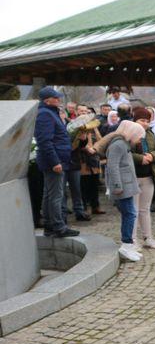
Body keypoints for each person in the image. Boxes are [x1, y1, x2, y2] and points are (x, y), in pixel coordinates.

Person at [34, 87, 79, 237]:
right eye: (56, 97)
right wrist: (55, 162)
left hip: (55, 160)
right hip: (54, 161)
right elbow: (44, 141)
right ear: (47, 100)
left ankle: (50, 226)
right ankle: (59, 227)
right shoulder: (45, 115)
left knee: (49, 194)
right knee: (55, 196)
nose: (59, 99)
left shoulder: (48, 113)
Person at [102, 120, 144, 262]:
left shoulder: (123, 144)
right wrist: (117, 186)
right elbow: (112, 166)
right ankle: (126, 245)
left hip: (126, 186)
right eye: (138, 136)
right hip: (122, 188)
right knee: (130, 214)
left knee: (130, 214)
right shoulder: (118, 145)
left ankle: (129, 245)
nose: (139, 140)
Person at [131, 107, 155, 250]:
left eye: (147, 121)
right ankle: (131, 240)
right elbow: (124, 153)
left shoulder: (150, 134)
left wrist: (152, 156)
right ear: (135, 120)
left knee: (145, 209)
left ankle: (148, 237)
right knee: (133, 210)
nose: (144, 123)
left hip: (149, 176)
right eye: (141, 120)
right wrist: (140, 159)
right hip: (132, 177)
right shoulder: (128, 134)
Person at [77, 125, 105, 216]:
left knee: (94, 185)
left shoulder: (93, 129)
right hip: (83, 161)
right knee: (84, 185)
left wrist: (95, 128)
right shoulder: (77, 129)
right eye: (83, 112)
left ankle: (95, 206)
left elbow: (100, 140)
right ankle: (85, 208)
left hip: (94, 160)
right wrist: (87, 148)